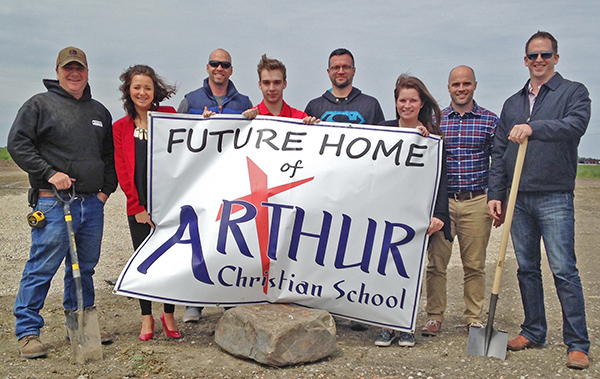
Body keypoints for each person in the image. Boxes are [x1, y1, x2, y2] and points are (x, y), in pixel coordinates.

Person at [488, 31, 590, 370]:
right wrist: (496, 195)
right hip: (518, 198)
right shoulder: (512, 103)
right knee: (527, 269)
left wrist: (535, 127)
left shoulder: (573, 92)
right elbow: (501, 152)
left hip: (554, 195)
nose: (539, 61)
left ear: (556, 58)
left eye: (545, 55)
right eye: (533, 56)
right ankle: (533, 330)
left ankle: (577, 343)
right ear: (525, 60)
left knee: (563, 270)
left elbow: (575, 126)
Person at [8, 46, 117, 358]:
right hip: (53, 203)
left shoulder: (99, 112)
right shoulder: (39, 105)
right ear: (57, 72)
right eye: (68, 68)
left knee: (84, 268)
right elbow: (18, 144)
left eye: (79, 68)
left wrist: (105, 191)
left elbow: (108, 157)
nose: (74, 73)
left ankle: (82, 324)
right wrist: (49, 173)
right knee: (42, 266)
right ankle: (28, 331)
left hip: (91, 205)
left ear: (87, 72)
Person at [374, 74, 451, 348]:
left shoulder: (433, 139)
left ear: (421, 103)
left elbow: (442, 180)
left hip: (417, 215)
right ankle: (385, 324)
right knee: (382, 268)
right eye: (402, 100)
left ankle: (405, 325)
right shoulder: (382, 130)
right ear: (395, 102)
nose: (407, 105)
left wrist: (439, 214)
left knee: (409, 271)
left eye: (412, 101)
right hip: (385, 212)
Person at [421, 66, 498, 337]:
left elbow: (498, 162)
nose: (461, 88)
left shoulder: (490, 120)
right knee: (435, 264)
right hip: (443, 203)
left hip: (476, 201)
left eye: (466, 83)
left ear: (475, 85)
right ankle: (434, 316)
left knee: (474, 265)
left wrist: (496, 197)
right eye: (456, 84)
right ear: (449, 87)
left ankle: (474, 317)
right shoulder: (435, 121)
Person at [177, 48, 252, 323]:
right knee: (198, 239)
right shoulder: (190, 100)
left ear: (231, 70)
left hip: (231, 184)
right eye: (214, 63)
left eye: (225, 64)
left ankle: (229, 299)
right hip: (200, 184)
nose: (219, 68)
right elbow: (178, 138)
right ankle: (194, 301)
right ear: (207, 67)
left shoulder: (244, 101)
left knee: (228, 241)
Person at [113, 65, 181, 341]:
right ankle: (146, 316)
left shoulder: (170, 116)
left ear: (156, 91)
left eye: (147, 87)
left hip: (169, 205)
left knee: (170, 260)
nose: (142, 92)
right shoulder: (120, 127)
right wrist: (137, 207)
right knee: (143, 261)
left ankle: (169, 313)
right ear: (128, 91)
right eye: (137, 87)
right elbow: (122, 170)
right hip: (139, 207)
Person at [304, 48, 385, 125]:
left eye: (345, 67)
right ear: (329, 72)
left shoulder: (370, 105)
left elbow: (383, 136)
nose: (341, 71)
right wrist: (307, 124)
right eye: (336, 67)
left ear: (353, 71)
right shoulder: (314, 106)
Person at [240, 54, 318, 124]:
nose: (272, 88)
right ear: (260, 85)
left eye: (277, 82)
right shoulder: (248, 118)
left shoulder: (301, 118)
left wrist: (316, 127)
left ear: (284, 84)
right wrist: (243, 121)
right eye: (266, 83)